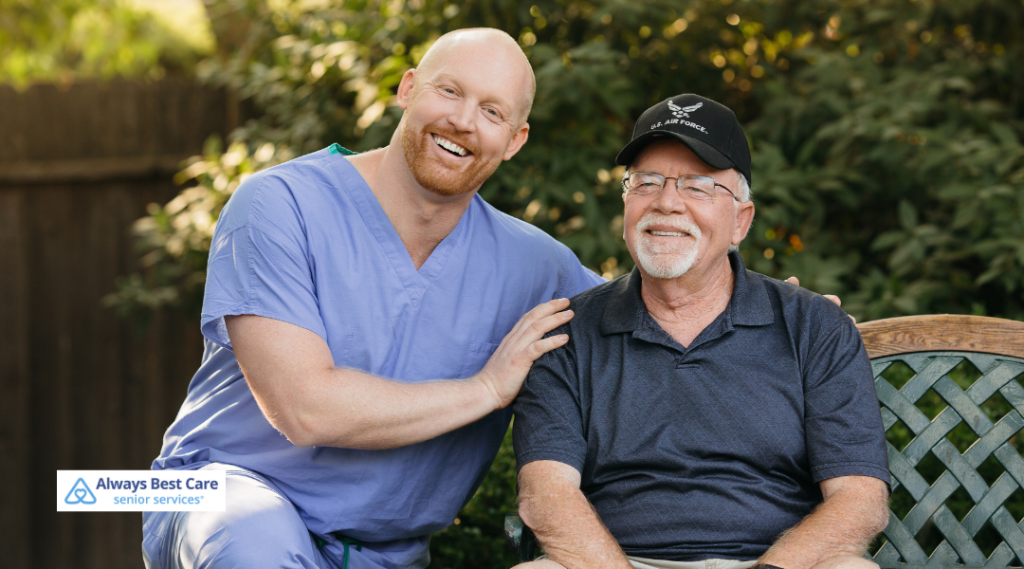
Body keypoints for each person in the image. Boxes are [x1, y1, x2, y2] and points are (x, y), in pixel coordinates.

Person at [142, 28, 605, 569]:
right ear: (408, 88)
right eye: (449, 91)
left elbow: (662, 320)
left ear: (515, 140)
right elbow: (305, 409)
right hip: (221, 499)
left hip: (383, 555)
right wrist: (484, 389)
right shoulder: (277, 204)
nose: (463, 120)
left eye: (492, 112)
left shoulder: (536, 267)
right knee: (254, 539)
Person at [512, 94, 891, 569]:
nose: (667, 202)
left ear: (741, 221)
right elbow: (546, 495)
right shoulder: (567, 333)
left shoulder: (815, 326)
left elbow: (859, 499)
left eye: (698, 186)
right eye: (646, 182)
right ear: (626, 203)